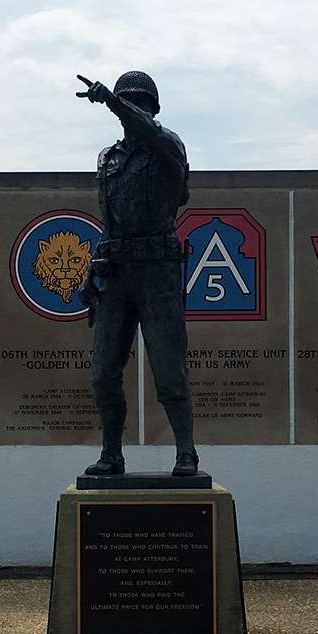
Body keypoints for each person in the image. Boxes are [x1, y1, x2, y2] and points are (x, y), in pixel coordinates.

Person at [74, 70, 198, 477]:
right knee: (103, 372)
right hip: (116, 272)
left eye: (138, 105)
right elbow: (109, 221)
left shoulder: (167, 148)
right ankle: (112, 453)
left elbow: (152, 134)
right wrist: (93, 270)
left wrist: (113, 100)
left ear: (149, 109)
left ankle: (186, 453)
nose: (133, 112)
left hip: (158, 271)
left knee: (168, 367)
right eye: (130, 105)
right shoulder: (107, 160)